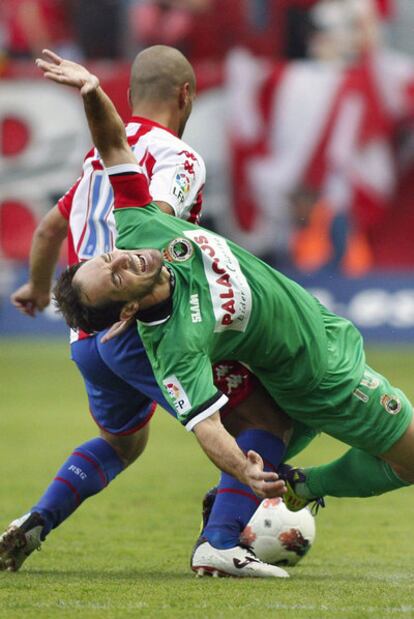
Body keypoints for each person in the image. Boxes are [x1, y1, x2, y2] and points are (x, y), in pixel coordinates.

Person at [39, 51, 414, 573]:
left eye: (108, 257)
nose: (123, 258)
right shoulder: (173, 345)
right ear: (126, 311)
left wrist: (90, 91)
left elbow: (113, 146)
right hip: (317, 373)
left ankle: (235, 521)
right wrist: (245, 469)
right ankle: (305, 488)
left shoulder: (138, 226)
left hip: (322, 329)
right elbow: (208, 427)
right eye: (118, 276)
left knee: (268, 429)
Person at [2, 45, 293, 579]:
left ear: (132, 96)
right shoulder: (180, 157)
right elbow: (154, 223)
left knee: (123, 442)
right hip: (138, 321)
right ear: (187, 95)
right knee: (264, 419)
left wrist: (40, 291)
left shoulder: (96, 161)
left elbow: (48, 229)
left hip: (85, 334)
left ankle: (38, 517)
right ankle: (221, 541)